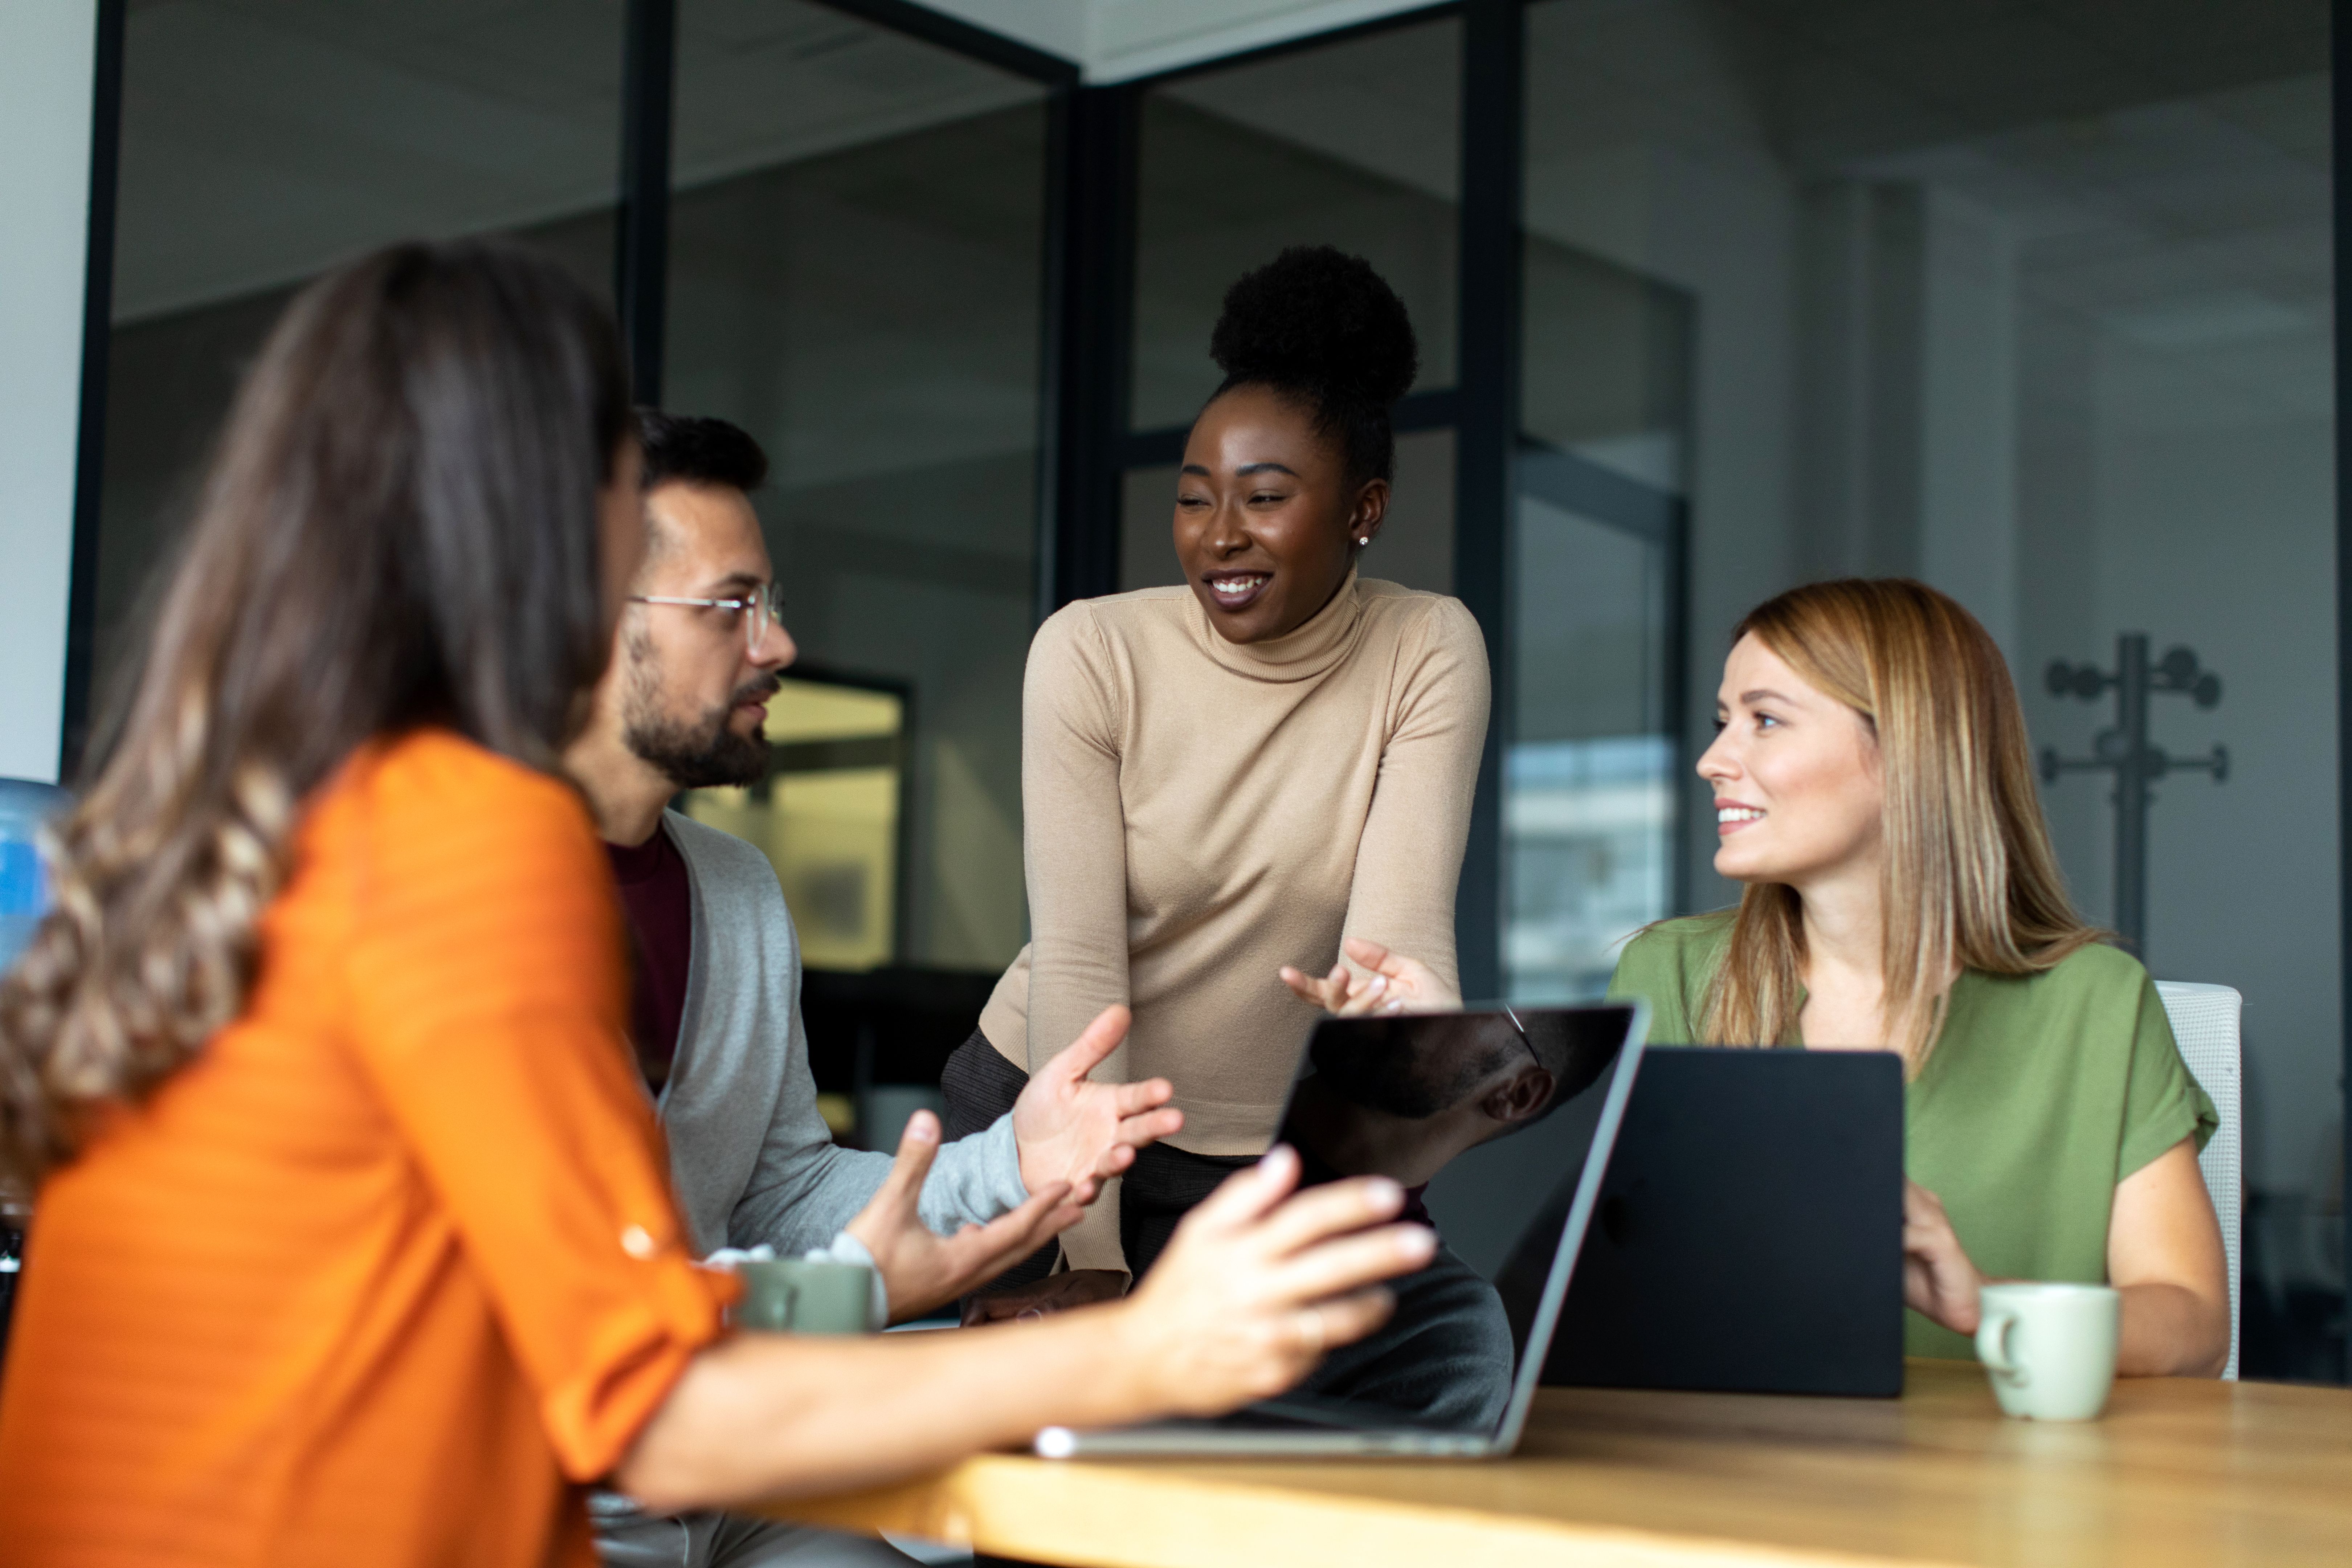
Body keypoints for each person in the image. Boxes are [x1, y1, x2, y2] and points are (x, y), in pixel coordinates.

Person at [0, 239, 1439, 1568]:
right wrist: (1150, 1346)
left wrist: (890, 1264)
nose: (776, 643)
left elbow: (559, 1313)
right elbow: (654, 1408)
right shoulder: (466, 848)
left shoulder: (263, 844)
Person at [1310, 579, 2232, 1376]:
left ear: (1906, 750)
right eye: (1723, 722)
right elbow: (1580, 1290)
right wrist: (1428, 1071)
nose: (1715, 760)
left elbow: (2192, 1324)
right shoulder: (1667, 975)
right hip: (1737, 1480)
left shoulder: (2096, 1003)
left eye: (1765, 720)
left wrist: (1981, 1305)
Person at [563, 408, 1186, 1567]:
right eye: (732, 607)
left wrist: (1015, 1159)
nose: (779, 645)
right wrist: (855, 1292)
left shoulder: (737, 891)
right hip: (541, 1478)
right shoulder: (473, 906)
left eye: (776, 604)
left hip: (728, 1464)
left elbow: (780, 1189)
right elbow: (567, 1300)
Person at [944, 245, 1490, 1310]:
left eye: (1266, 496)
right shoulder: (1091, 652)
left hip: (1270, 1148)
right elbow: (1080, 964)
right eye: (1195, 500)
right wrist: (1088, 1251)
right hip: (1052, 1108)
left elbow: (1400, 948)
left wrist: (1406, 1057)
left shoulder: (1426, 648)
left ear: (1363, 508)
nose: (1221, 537)